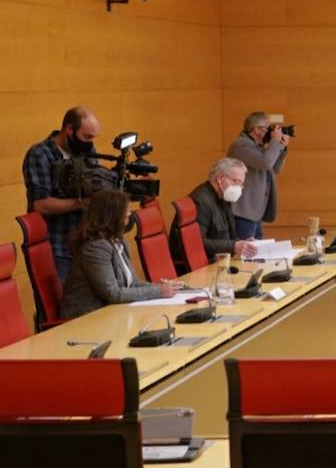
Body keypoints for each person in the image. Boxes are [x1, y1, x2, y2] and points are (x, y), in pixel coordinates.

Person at [59, 190, 179, 319]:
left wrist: (162, 287)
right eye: (126, 211)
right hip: (86, 318)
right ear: (112, 215)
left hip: (112, 313)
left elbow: (132, 283)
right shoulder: (95, 248)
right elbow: (113, 294)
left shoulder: (118, 242)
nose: (130, 214)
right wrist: (158, 291)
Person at [22, 106, 102, 281]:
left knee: (89, 306)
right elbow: (40, 204)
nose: (90, 144)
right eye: (86, 137)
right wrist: (82, 202)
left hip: (84, 241)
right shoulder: (40, 154)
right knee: (59, 306)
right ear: (69, 129)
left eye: (93, 138)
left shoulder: (87, 151)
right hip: (55, 246)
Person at [172, 158, 257, 264]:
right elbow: (197, 242)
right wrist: (233, 246)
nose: (239, 188)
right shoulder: (201, 201)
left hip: (216, 261)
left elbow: (224, 236)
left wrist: (241, 244)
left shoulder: (223, 197)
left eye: (241, 185)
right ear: (220, 178)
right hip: (199, 267)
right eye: (236, 182)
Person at [227, 112, 290, 241]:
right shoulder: (241, 145)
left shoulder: (257, 146)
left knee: (256, 250)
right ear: (256, 129)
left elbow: (274, 169)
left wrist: (281, 146)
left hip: (255, 210)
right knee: (247, 251)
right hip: (243, 210)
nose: (270, 133)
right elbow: (265, 163)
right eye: (268, 129)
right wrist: (274, 141)